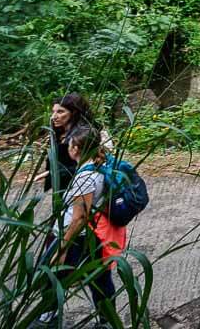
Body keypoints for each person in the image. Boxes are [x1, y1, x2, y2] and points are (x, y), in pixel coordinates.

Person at [33, 124, 116, 328]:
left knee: (51, 276)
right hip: (91, 235)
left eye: (69, 143)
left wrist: (62, 246)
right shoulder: (98, 166)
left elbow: (79, 217)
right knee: (100, 279)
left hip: (76, 237)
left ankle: (47, 318)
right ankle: (108, 320)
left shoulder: (85, 177)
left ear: (75, 149)